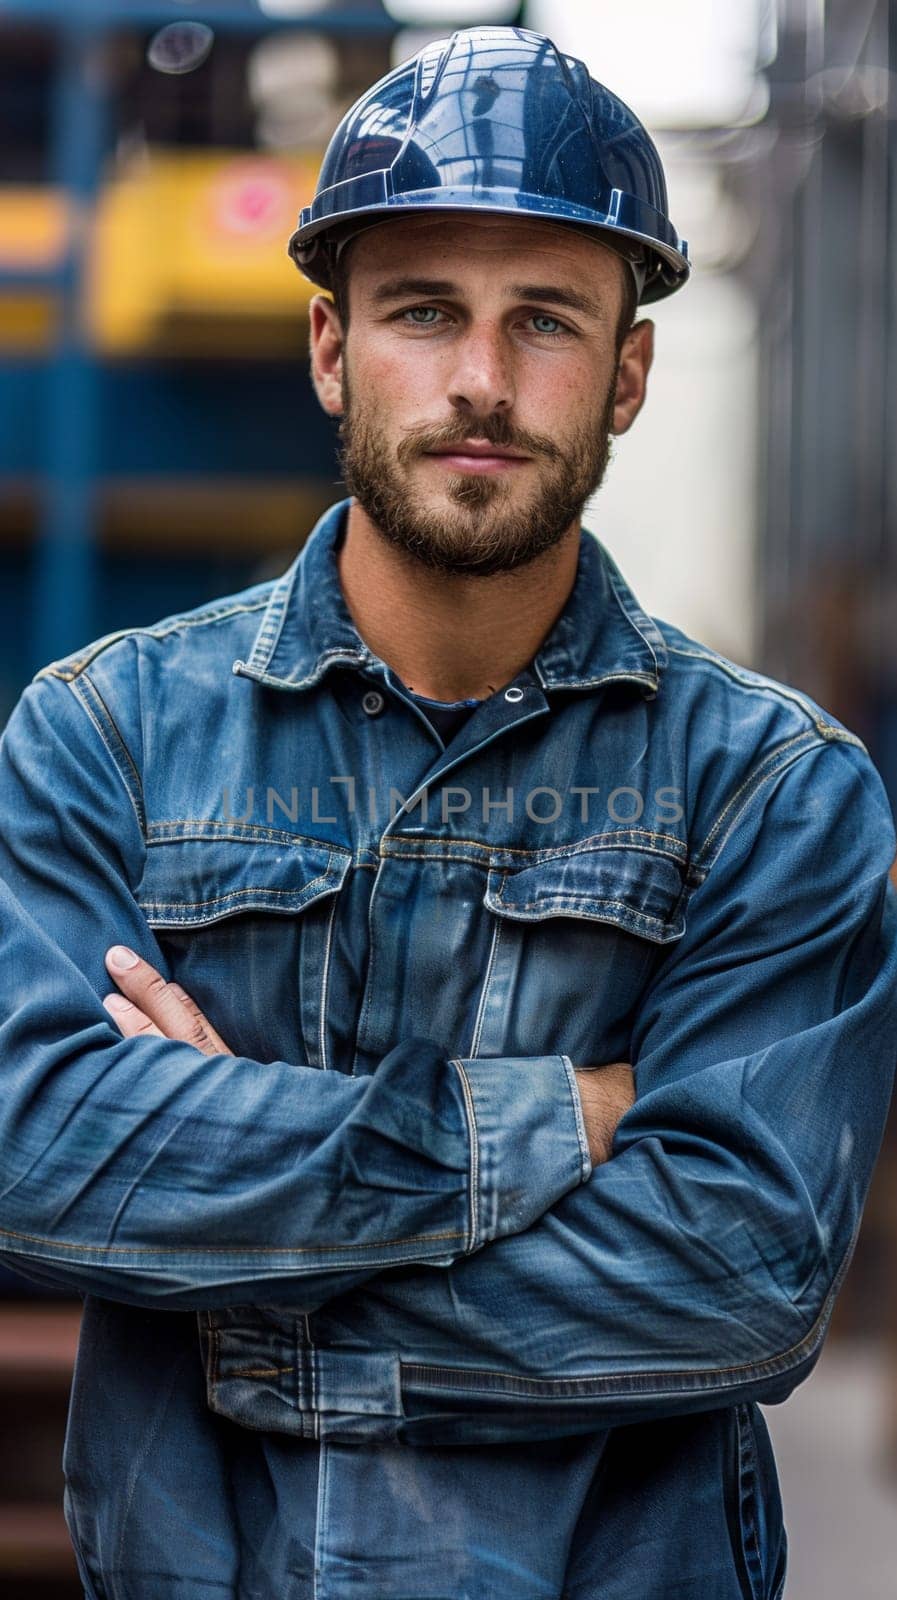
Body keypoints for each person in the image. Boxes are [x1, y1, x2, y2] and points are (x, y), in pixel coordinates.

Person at [0, 24, 895, 1600]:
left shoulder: (772, 794)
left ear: (626, 370)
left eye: (543, 321)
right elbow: (29, 1165)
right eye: (422, 311)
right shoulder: (105, 740)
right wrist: (566, 1119)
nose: (480, 381)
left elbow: (736, 1280)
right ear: (332, 350)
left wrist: (239, 1286)